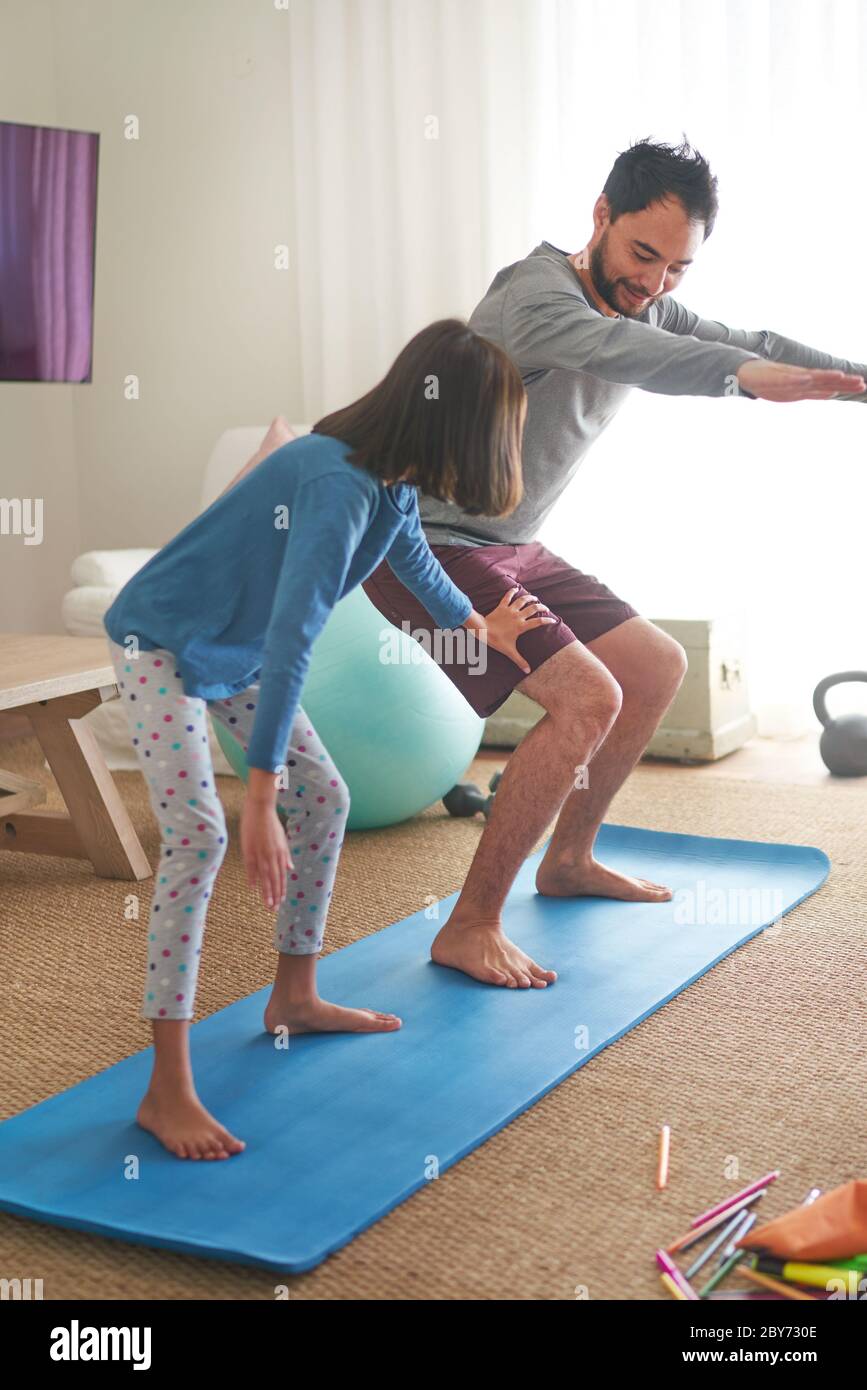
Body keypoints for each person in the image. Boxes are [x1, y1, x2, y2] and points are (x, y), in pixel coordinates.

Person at [361, 137, 867, 990]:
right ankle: (469, 924)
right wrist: (742, 379)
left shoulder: (648, 303)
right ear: (598, 216)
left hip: (509, 545)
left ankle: (569, 859)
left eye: (677, 268)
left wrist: (848, 377)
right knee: (585, 698)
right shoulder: (536, 298)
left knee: (654, 666)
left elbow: (748, 335)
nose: (655, 284)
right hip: (425, 545)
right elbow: (627, 355)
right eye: (642, 255)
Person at [103, 318, 555, 1160]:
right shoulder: (336, 482)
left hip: (230, 647)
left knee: (331, 797)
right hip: (160, 640)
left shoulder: (390, 481)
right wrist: (261, 796)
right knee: (201, 835)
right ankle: (165, 1090)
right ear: (457, 424)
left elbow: (413, 555)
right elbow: (294, 636)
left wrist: (476, 623)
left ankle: (294, 999)